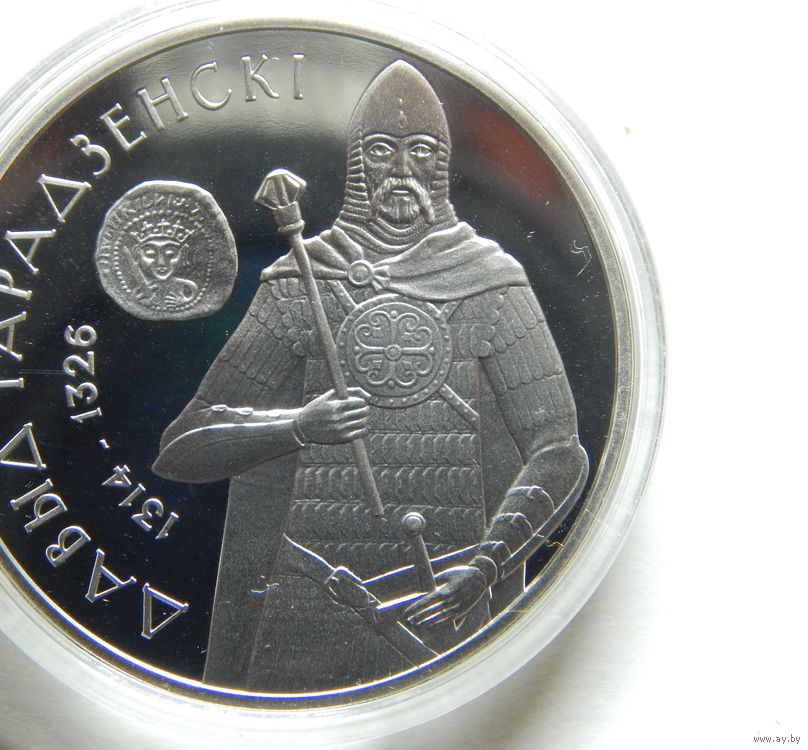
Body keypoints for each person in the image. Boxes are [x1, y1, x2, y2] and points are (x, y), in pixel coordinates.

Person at [152, 60, 587, 692]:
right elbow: (181, 449)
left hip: (446, 597)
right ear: (357, 166)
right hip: (304, 600)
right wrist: (298, 427)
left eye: (422, 152)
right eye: (382, 152)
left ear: (443, 165)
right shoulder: (302, 280)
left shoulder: (490, 281)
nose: (402, 170)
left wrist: (487, 570)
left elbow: (558, 450)